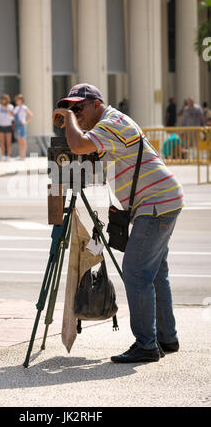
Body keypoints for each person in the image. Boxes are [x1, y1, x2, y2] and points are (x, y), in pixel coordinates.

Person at [53, 83, 184, 364]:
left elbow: (77, 145)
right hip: (161, 199)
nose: (75, 113)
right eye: (71, 108)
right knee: (156, 272)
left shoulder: (110, 124)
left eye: (79, 107)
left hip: (156, 203)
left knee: (136, 273)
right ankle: (167, 337)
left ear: (96, 104)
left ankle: (146, 345)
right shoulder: (112, 123)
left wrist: (69, 121)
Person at [0, 93, 14, 161]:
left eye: (5, 99)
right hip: (1, 125)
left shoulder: (10, 106)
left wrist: (8, 109)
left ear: (7, 100)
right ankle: (3, 155)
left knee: (8, 142)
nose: (3, 100)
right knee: (1, 142)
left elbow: (12, 115)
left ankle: (8, 156)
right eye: (2, 99)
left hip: (8, 125)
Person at [13, 94, 33, 160]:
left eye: (18, 99)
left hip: (22, 126)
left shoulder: (24, 107)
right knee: (19, 141)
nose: (16, 101)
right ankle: (20, 155)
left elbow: (31, 115)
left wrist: (26, 122)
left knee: (23, 141)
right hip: (17, 126)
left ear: (21, 100)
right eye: (16, 100)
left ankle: (23, 156)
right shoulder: (16, 108)